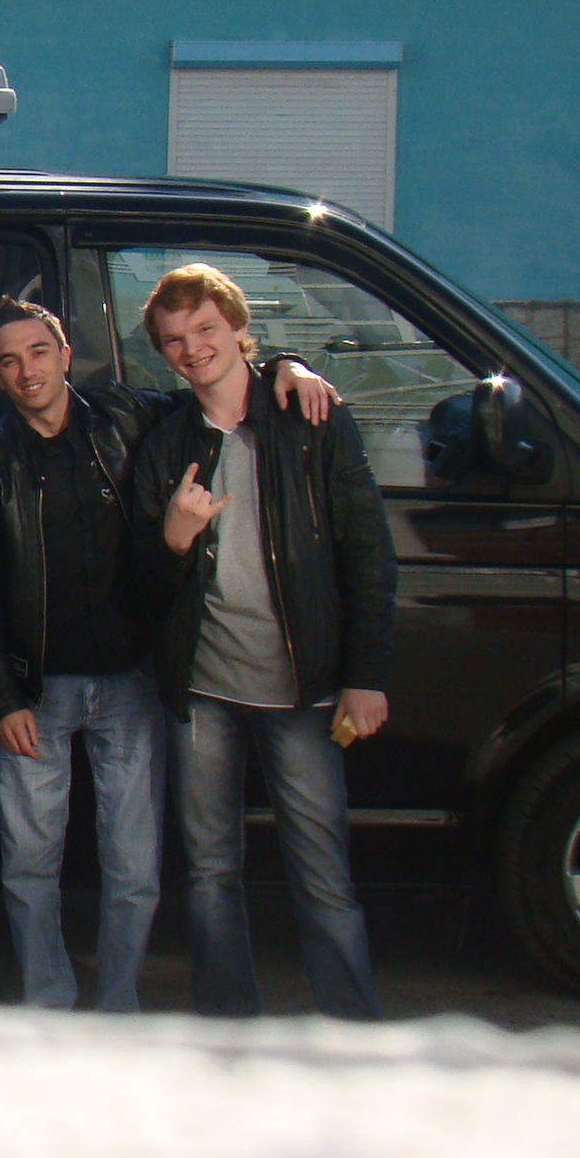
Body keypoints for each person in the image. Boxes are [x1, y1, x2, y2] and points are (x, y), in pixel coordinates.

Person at [0, 299, 341, 1011]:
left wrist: (284, 366)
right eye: (9, 361)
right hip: (37, 690)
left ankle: (118, 1005)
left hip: (129, 677)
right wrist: (4, 697)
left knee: (133, 865)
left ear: (65, 356)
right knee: (30, 864)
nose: (27, 370)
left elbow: (214, 386)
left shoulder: (126, 416)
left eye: (38, 352)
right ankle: (48, 1001)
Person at [130, 263, 398, 1021]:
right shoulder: (168, 443)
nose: (192, 349)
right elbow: (142, 588)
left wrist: (365, 674)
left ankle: (353, 1031)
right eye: (174, 340)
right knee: (211, 873)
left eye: (206, 329)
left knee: (323, 875)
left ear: (240, 329)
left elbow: (367, 554)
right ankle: (229, 1031)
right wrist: (174, 539)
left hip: (302, 690)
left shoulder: (310, 419)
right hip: (205, 692)